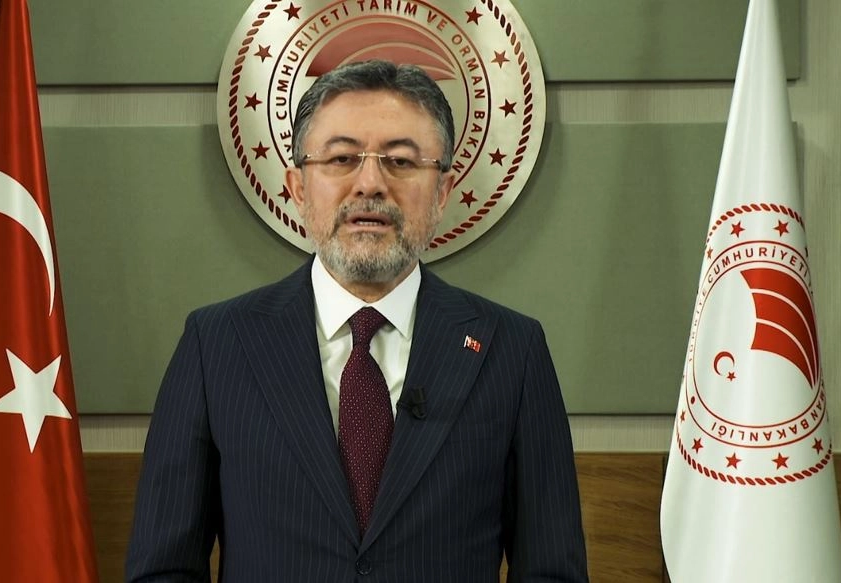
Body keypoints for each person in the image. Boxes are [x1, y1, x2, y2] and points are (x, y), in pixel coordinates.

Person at [125, 59, 588, 582]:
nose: (370, 184)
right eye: (342, 158)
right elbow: (163, 568)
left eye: (401, 161)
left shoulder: (512, 350)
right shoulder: (216, 344)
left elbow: (551, 570)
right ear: (298, 187)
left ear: (442, 192)